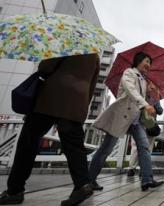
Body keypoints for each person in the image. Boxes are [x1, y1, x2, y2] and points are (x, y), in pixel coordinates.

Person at [0, 54, 100, 206]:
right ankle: (83, 185)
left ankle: (15, 190)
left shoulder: (67, 45)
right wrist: (83, 106)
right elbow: (92, 85)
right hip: (75, 105)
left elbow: (45, 68)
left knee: (28, 143)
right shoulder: (94, 55)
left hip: (51, 99)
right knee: (75, 148)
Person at [89, 52, 164, 191]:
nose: (148, 65)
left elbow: (143, 97)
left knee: (143, 146)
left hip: (136, 120)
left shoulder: (143, 79)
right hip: (122, 116)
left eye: (150, 63)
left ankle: (147, 179)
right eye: (146, 61)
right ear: (138, 61)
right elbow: (130, 90)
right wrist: (145, 103)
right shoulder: (129, 73)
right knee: (106, 148)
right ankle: (90, 180)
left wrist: (150, 92)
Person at [128, 101, 163, 177]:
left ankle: (131, 169)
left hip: (136, 124)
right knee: (147, 149)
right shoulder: (154, 96)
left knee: (135, 147)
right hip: (149, 124)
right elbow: (160, 111)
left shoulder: (137, 94)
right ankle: (143, 170)